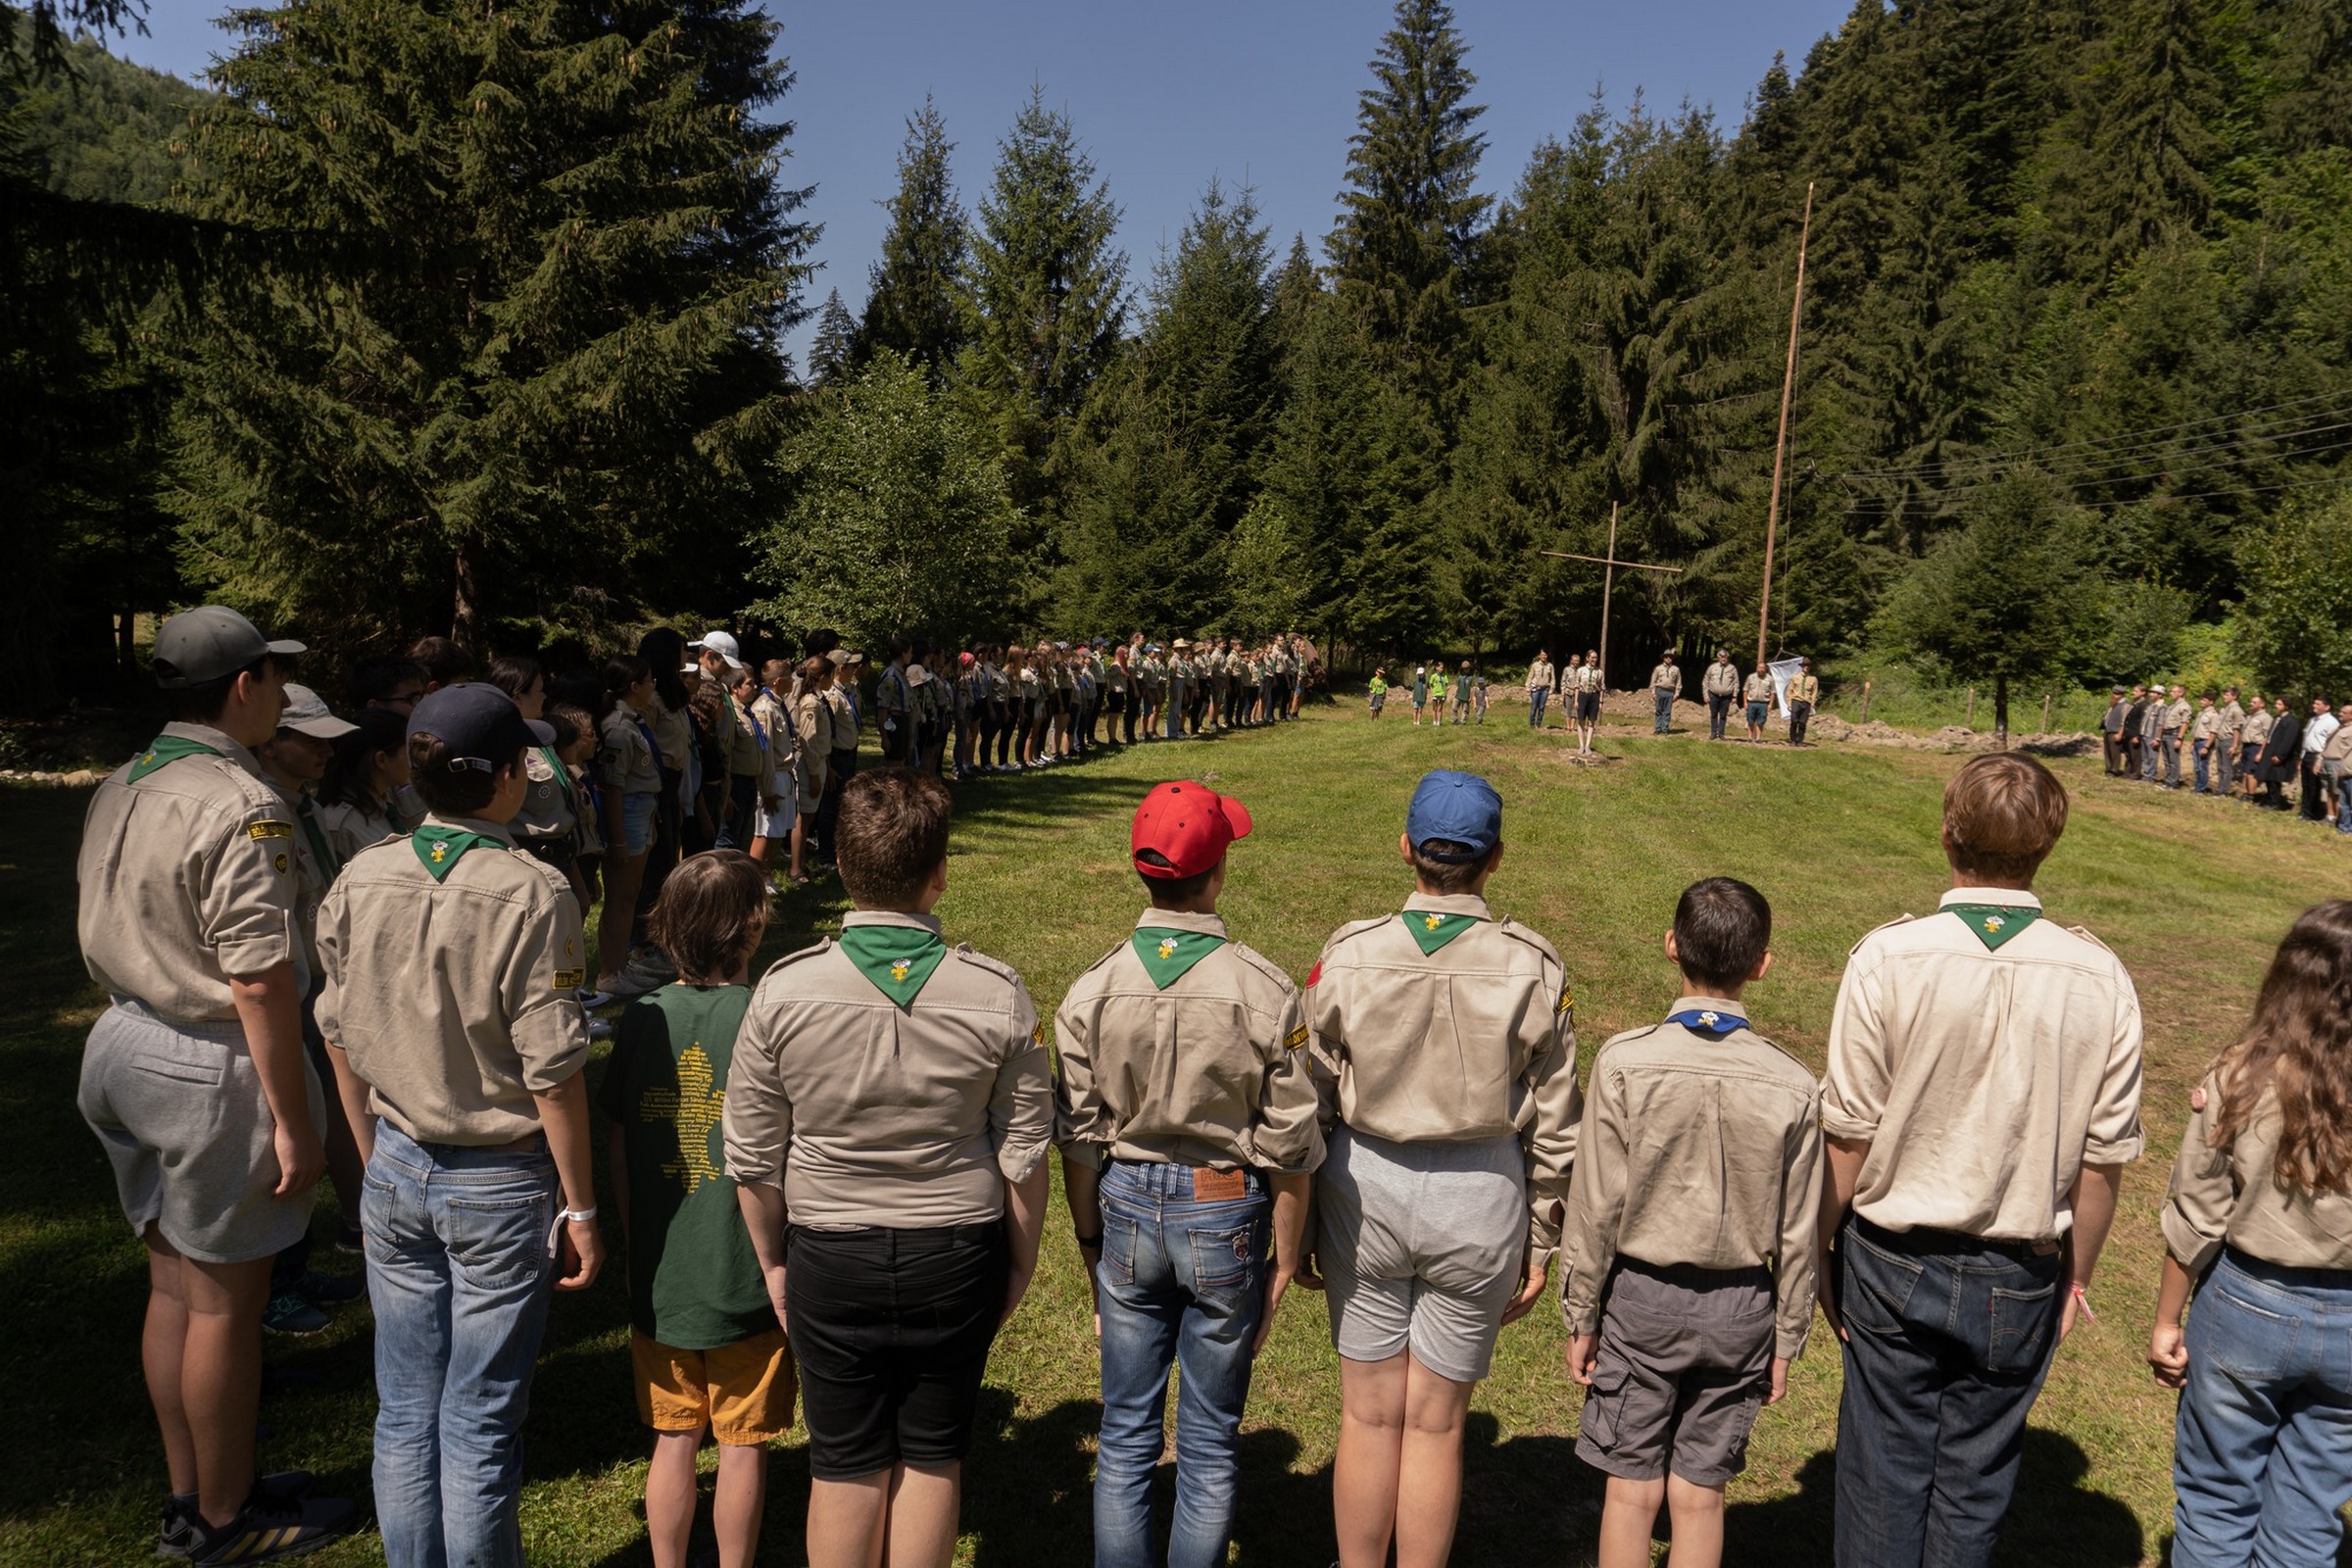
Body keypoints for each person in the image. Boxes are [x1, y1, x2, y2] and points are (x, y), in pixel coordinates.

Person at [76, 607, 360, 1563]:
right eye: (276, 680)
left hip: (123, 1038)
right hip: (205, 1057)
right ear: (243, 685)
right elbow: (256, 976)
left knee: (173, 1285)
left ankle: (192, 1492)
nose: (283, 699)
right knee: (226, 1303)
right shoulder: (239, 799)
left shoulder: (125, 778)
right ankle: (230, 1519)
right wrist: (293, 1119)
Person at [1817, 751, 2143, 1568]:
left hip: (1893, 1257)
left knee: (1881, 1475)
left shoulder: (1889, 958)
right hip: (2018, 1267)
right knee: (1976, 1483)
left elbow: (1848, 1134)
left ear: (1947, 833)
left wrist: (1813, 1247)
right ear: (2048, 844)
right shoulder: (2099, 977)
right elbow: (2101, 1163)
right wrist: (2080, 1275)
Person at [725, 766, 1052, 1568]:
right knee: (933, 1453)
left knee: (843, 1459)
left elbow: (753, 1157)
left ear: (840, 864)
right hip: (957, 1248)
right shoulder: (998, 994)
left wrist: (773, 1261)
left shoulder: (783, 991)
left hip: (829, 1252)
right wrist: (1021, 1259)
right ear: (940, 873)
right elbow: (1024, 1155)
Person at [315, 682, 603, 1568]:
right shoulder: (531, 891)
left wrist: (368, 1160)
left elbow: (335, 1030)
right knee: (477, 1420)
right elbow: (552, 1073)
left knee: (405, 1408)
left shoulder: (363, 872)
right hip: (497, 1176)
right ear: (513, 775)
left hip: (396, 1163)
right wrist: (583, 1209)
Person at [1303, 770, 1581, 1568]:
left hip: (1366, 1188)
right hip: (1481, 1192)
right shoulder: (1532, 963)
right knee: (1434, 1423)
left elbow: (1310, 1090)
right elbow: (1558, 1118)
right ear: (1495, 859)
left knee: (1368, 1417)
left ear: (1406, 850)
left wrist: (1306, 1215)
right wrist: (1542, 1234)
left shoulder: (1349, 952)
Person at [1054, 781, 1322, 1568]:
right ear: (1219, 871)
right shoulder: (1266, 989)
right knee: (1208, 1441)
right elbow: (1290, 1149)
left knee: (1127, 1432)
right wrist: (1281, 1263)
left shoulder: (1091, 987)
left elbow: (1075, 1142)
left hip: (1126, 1207)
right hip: (1224, 1207)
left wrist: (1089, 1249)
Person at [1563, 877, 1822, 1568]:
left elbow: (1593, 1207)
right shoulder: (1793, 1083)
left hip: (1641, 1301)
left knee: (1630, 1492)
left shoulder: (1625, 1063)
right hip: (1743, 1306)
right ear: (1761, 964)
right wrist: (1787, 1337)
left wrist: (1581, 1314)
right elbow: (1799, 1233)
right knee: (1702, 1496)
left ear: (1671, 946)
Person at [2149, 901, 2352, 1568]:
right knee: (2309, 1512)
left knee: (2215, 1502)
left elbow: (2198, 1211)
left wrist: (2166, 1321)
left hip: (2247, 1308)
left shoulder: (2242, 1075)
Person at [601, 852, 789, 1568]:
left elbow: (619, 1140)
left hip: (663, 1270)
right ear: (752, 928)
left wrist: (631, 1227)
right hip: (745, 1269)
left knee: (673, 1436)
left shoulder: (642, 1016)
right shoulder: (763, 1016)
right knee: (741, 1445)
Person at [251, 683, 368, 1327]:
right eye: (311, 740)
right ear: (272, 741)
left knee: (321, 1121)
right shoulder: (260, 811)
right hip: (288, 988)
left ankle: (293, 1265)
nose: (327, 753)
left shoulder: (303, 806)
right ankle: (273, 1286)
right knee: (285, 1133)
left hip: (321, 983)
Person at [596, 657, 665, 996]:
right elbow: (613, 787)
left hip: (643, 809)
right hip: (628, 813)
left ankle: (621, 966)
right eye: (649, 680)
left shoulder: (634, 722)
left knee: (631, 895)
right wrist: (618, 840)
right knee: (620, 898)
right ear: (634, 686)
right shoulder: (618, 728)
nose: (654, 686)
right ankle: (610, 972)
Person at [317, 706, 414, 860]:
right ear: (381, 760)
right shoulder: (342, 826)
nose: (411, 760)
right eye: (407, 751)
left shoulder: (385, 806)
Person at [2260, 696, 2303, 811]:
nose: (2276, 706)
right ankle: (2269, 799)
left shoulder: (2291, 722)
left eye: (2279, 704)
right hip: (2270, 750)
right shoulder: (2277, 718)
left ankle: (2275, 802)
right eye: (2276, 703)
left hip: (2278, 753)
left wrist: (2280, 755)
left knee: (2275, 779)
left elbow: (2288, 740)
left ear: (2286, 706)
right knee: (2268, 777)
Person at [2298, 697, 2336, 821]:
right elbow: (2307, 739)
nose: (2314, 705)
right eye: (2314, 703)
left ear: (2327, 707)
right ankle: (2304, 811)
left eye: (2318, 704)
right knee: (2306, 785)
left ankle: (2313, 813)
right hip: (2307, 754)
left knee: (2315, 785)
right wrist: (2301, 758)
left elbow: (2329, 743)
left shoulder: (2331, 722)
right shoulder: (2312, 720)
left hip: (2318, 756)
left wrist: (2320, 760)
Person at [2239, 692, 2273, 805]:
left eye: (2254, 702)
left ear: (2262, 704)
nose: (2251, 703)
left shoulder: (2266, 718)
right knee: (2245, 771)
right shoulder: (2250, 716)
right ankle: (2244, 792)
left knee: (2251, 772)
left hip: (2256, 746)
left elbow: (2267, 736)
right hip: (2246, 746)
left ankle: (2251, 795)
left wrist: (2261, 752)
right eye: (2251, 701)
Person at [2216, 687, 2246, 799]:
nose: (2224, 696)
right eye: (2224, 694)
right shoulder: (2225, 709)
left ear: (2234, 696)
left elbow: (2237, 729)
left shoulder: (2236, 710)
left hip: (2228, 740)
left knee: (2227, 767)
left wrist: (2235, 745)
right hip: (2220, 739)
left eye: (2227, 694)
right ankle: (2219, 788)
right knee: (2220, 766)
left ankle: (2223, 791)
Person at [1702, 652, 1739, 741]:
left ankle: (1721, 733)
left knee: (1723, 715)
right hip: (1713, 695)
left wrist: (1734, 696)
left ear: (1727, 658)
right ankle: (1713, 733)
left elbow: (1736, 683)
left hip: (1726, 697)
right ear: (1719, 658)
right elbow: (1705, 681)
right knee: (1713, 714)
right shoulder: (1712, 667)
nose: (1723, 659)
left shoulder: (1732, 668)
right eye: (1722, 657)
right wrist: (1705, 694)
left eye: (1725, 657)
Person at [2189, 692, 2221, 794]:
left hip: (2204, 742)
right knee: (2197, 766)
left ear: (2211, 702)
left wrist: (2206, 746)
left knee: (2202, 766)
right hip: (2197, 741)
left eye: (2204, 700)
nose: (2201, 702)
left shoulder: (2214, 715)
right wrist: (2192, 743)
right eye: (2201, 699)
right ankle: (2197, 786)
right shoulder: (2200, 713)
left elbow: (2213, 732)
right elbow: (2196, 730)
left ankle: (2201, 789)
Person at [2162, 684, 2192, 789]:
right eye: (2171, 691)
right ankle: (2168, 779)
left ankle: (2173, 782)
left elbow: (2185, 723)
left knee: (2173, 759)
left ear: (2181, 693)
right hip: (2165, 733)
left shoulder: (2184, 706)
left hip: (2174, 734)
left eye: (2174, 691)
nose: (2171, 693)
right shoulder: (2172, 706)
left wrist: (2179, 738)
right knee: (2166, 760)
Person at [1574, 651, 1603, 756]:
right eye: (1592, 657)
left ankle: (1588, 746)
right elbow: (1577, 686)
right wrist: (1576, 700)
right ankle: (1581, 745)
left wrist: (1600, 702)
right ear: (1587, 658)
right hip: (1583, 695)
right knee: (1581, 720)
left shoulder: (1599, 672)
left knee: (1591, 722)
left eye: (1596, 658)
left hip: (1594, 696)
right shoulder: (1581, 670)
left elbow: (1601, 688)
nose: (1594, 660)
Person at [1786, 659, 1819, 746]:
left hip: (1806, 702)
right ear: (1802, 666)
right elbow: (1789, 691)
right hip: (1796, 701)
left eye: (1808, 666)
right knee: (1794, 721)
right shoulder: (1795, 677)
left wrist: (1812, 704)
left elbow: (1814, 692)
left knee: (1802, 722)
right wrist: (1789, 703)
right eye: (1805, 665)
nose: (1806, 667)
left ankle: (1800, 740)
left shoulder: (1813, 679)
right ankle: (1793, 739)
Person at [2138, 681, 2166, 783]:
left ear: (2160, 695)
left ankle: (2151, 777)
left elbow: (2160, 724)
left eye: (2154, 693)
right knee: (2145, 757)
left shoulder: (2162, 707)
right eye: (2151, 692)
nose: (2151, 694)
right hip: (2145, 734)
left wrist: (2157, 738)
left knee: (2152, 757)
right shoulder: (2151, 706)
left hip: (2152, 736)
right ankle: (2146, 775)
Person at [1648, 650, 1681, 735]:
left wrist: (1677, 693)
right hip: (1660, 691)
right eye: (1666, 657)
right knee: (1659, 710)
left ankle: (1665, 729)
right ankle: (1658, 728)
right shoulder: (1658, 668)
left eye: (1670, 657)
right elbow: (1653, 681)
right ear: (1663, 658)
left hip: (1670, 693)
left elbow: (1678, 682)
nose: (1668, 659)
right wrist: (1653, 692)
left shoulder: (1676, 669)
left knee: (1667, 712)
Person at [2122, 684, 2150, 781]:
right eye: (2133, 690)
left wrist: (2137, 736)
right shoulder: (2135, 703)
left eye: (2136, 691)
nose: (2133, 692)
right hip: (2129, 733)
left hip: (2135, 734)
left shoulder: (2144, 705)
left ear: (2143, 693)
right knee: (2129, 754)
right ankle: (2127, 772)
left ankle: (2135, 774)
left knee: (2135, 755)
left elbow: (2143, 722)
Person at [2099, 687, 2129, 776]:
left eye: (2116, 694)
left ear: (2121, 695)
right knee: (2107, 751)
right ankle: (2108, 769)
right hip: (2108, 730)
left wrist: (2120, 733)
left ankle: (2114, 770)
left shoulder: (2125, 705)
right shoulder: (2114, 704)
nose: (2114, 695)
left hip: (2115, 731)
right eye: (2114, 693)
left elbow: (2124, 721)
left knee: (2114, 752)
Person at [1742, 663, 1773, 744]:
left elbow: (1773, 692)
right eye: (1760, 667)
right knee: (1750, 720)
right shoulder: (1751, 677)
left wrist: (1770, 704)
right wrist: (1745, 702)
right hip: (1751, 702)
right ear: (1757, 668)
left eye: (1763, 668)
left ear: (1765, 669)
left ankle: (1758, 738)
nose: (1761, 669)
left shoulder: (1770, 679)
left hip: (1764, 703)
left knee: (1761, 721)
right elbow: (1745, 690)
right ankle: (1749, 737)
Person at [1526, 650, 1555, 729]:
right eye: (1542, 655)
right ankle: (1532, 724)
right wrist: (1527, 687)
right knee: (1534, 706)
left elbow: (1552, 678)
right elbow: (1530, 676)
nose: (1544, 656)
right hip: (1535, 688)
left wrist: (1552, 689)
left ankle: (1539, 724)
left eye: (1545, 655)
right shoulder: (1535, 665)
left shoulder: (1550, 666)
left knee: (1542, 707)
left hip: (1545, 689)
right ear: (1539, 656)